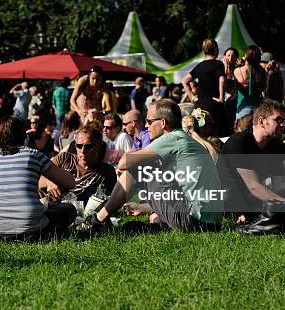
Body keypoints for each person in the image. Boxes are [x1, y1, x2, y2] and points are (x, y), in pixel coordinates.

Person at [78, 99, 222, 233]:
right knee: (154, 203)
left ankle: (97, 220)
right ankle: (158, 225)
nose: (146, 126)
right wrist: (143, 207)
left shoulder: (172, 138)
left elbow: (123, 164)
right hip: (211, 224)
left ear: (163, 122)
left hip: (194, 220)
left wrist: (134, 156)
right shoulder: (183, 139)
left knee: (137, 169)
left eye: (149, 121)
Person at [0, 116, 77, 241]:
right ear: (23, 135)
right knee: (69, 210)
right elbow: (70, 182)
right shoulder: (33, 155)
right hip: (31, 231)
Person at [217, 100, 285, 219]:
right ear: (261, 121)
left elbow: (278, 185)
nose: (283, 124)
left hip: (256, 198)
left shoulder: (275, 145)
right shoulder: (238, 143)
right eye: (278, 120)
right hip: (230, 201)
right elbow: (254, 186)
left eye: (284, 120)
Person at [41, 124, 117, 203]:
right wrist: (48, 182)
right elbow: (39, 176)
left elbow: (108, 202)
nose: (83, 151)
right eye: (79, 146)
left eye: (88, 147)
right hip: (46, 206)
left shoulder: (106, 172)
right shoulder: (64, 158)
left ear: (99, 146)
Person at [182, 39, 229, 137]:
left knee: (201, 134)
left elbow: (184, 81)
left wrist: (192, 97)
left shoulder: (199, 66)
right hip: (214, 104)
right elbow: (222, 80)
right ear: (215, 49)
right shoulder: (218, 64)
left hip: (200, 106)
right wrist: (221, 97)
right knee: (220, 135)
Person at [233, 45, 266, 120]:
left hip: (243, 107)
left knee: (242, 131)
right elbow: (263, 88)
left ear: (246, 56)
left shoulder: (238, 70)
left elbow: (236, 88)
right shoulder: (261, 71)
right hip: (258, 108)